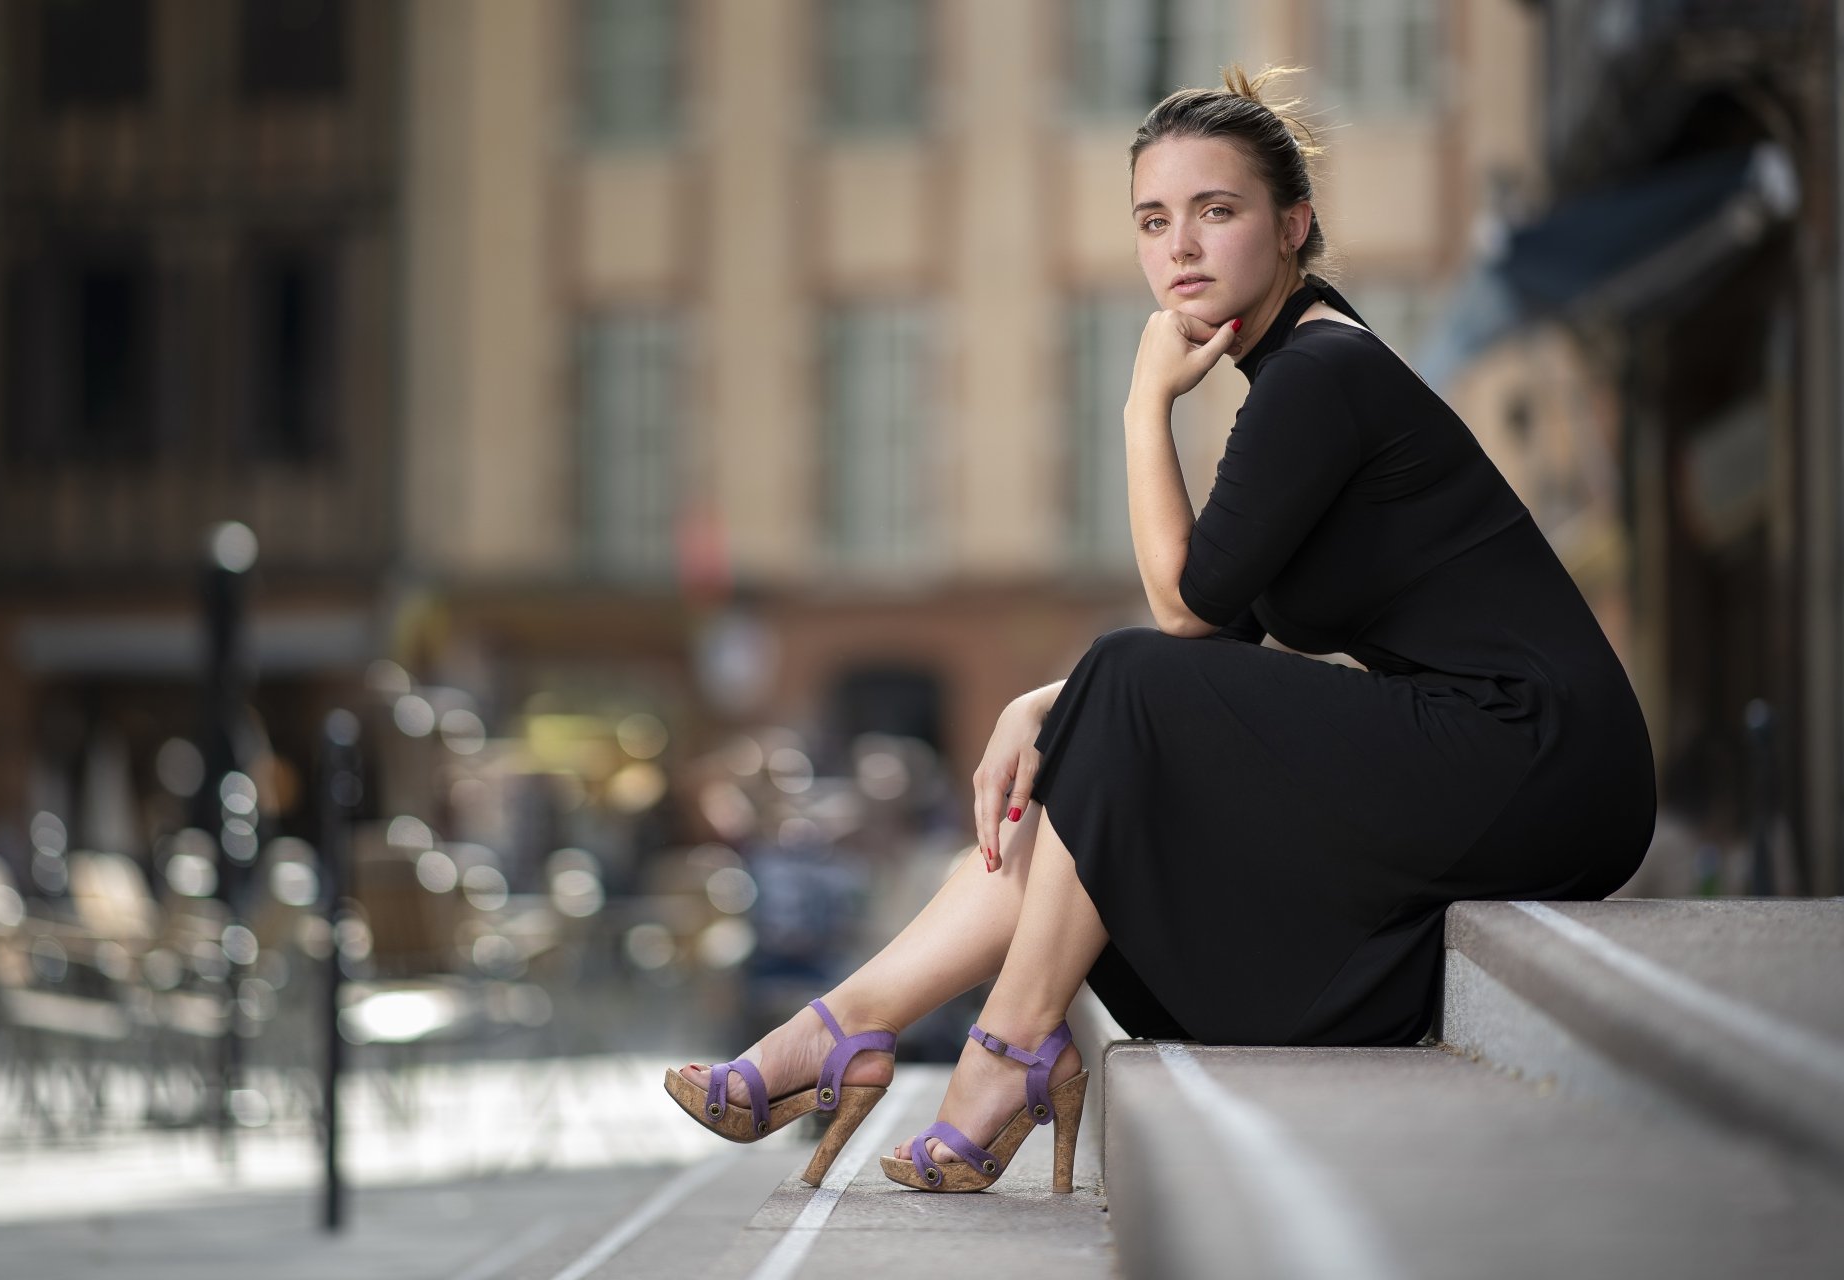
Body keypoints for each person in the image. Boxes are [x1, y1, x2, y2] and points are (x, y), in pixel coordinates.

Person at [665, 64, 1657, 1193]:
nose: (1180, 247)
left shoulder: (1321, 371)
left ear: (1295, 226)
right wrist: (1043, 703)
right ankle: (847, 1027)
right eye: (1153, 220)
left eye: (1216, 211)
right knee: (1094, 734)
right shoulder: (1296, 367)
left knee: (1122, 686)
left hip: (1537, 750)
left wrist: (1144, 404)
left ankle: (999, 1050)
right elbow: (1218, 634)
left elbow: (1180, 613)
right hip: (1486, 756)